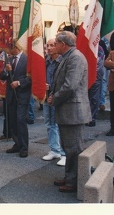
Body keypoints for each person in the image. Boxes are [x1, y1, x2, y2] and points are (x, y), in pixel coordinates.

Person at [48, 31, 92, 193]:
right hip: (68, 110)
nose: (54, 46)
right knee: (68, 148)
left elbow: (70, 85)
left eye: (56, 43)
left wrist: (55, 98)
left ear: (63, 44)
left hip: (73, 110)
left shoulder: (75, 58)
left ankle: (74, 182)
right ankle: (69, 176)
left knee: (74, 148)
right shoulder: (69, 57)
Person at [0, 44, 32, 158]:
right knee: (12, 120)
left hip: (22, 94)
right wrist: (6, 70)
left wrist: (19, 83)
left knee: (20, 119)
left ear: (16, 47)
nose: (7, 50)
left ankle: (24, 147)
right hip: (10, 95)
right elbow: (2, 76)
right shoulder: (9, 59)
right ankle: (17, 143)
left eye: (9, 48)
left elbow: (31, 77)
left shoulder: (27, 59)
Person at [42, 39, 66, 166]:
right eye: (48, 46)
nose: (49, 48)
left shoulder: (62, 61)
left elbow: (64, 81)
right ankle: (54, 150)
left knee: (59, 124)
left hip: (57, 96)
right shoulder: (46, 61)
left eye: (52, 45)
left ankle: (64, 153)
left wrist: (51, 87)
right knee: (49, 123)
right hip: (47, 97)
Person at [86, 44, 105, 127]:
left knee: (94, 98)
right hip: (84, 77)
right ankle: (86, 116)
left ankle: (92, 118)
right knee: (86, 97)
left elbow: (99, 63)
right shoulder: (85, 45)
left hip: (95, 76)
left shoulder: (99, 48)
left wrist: (92, 73)